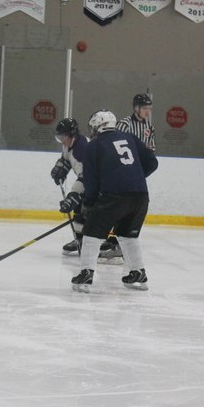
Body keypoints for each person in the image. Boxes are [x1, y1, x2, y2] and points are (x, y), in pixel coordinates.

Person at [71, 110, 158, 292]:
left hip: (115, 196)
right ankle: (138, 272)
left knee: (91, 232)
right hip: (141, 196)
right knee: (127, 234)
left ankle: (86, 273)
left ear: (96, 127)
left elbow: (91, 180)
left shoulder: (93, 146)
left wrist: (89, 202)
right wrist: (133, 176)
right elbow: (152, 162)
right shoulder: (130, 137)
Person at [99, 93, 157, 263]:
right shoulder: (124, 124)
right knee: (119, 206)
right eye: (145, 108)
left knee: (130, 209)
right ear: (136, 108)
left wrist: (139, 172)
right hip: (122, 172)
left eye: (149, 108)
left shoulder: (149, 127)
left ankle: (118, 242)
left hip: (136, 173)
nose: (148, 111)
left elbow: (150, 152)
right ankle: (114, 240)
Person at [50, 117, 88, 255]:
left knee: (88, 211)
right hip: (89, 182)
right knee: (78, 209)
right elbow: (66, 158)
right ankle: (80, 240)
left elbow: (87, 177)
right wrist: (61, 168)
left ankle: (95, 242)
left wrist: (74, 194)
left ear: (71, 134)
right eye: (59, 137)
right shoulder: (70, 144)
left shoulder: (82, 149)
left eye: (63, 137)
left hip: (99, 184)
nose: (61, 140)